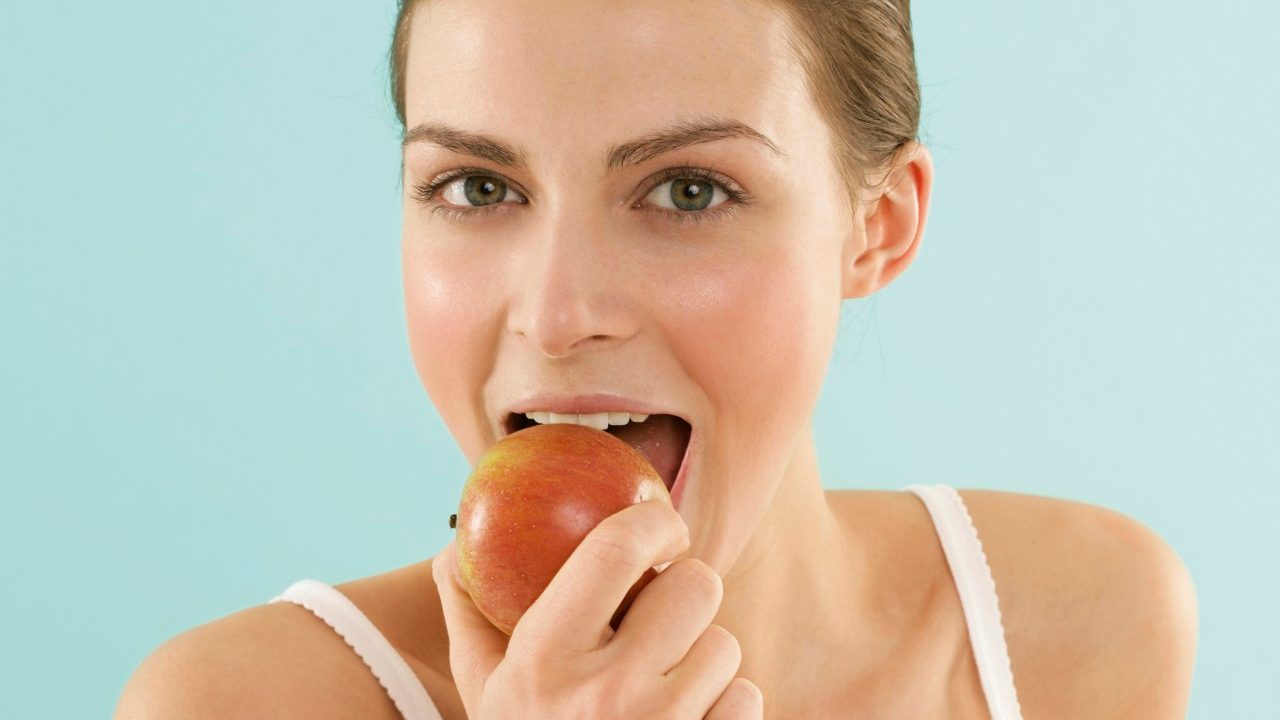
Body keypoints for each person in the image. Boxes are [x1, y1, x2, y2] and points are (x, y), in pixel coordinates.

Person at [114, 1, 1199, 718]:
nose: (556, 313)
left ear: (876, 227)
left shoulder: (1077, 624)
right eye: (477, 188)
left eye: (688, 190)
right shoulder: (235, 704)